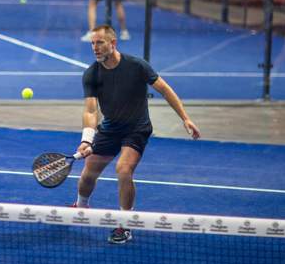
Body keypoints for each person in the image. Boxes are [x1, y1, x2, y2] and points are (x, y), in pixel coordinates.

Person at [74, 25, 200, 244]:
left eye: (100, 42)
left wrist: (185, 118)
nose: (95, 48)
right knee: (88, 174)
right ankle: (80, 208)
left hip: (136, 129)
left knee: (123, 169)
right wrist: (87, 138)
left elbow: (165, 89)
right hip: (110, 129)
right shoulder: (91, 74)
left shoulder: (136, 66)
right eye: (92, 43)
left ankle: (125, 224)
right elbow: (91, 110)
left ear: (113, 43)